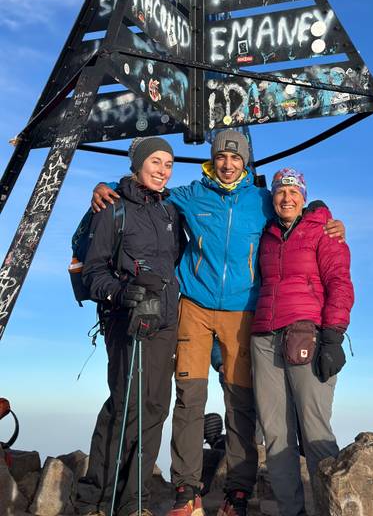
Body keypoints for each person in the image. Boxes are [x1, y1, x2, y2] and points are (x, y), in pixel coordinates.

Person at [91, 131, 345, 516]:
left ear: (246, 162)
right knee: (189, 397)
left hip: (244, 310)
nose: (228, 164)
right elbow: (147, 190)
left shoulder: (261, 200)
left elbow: (297, 210)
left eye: (236, 157)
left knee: (239, 402)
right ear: (213, 160)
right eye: (221, 157)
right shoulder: (193, 194)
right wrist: (105, 186)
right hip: (194, 304)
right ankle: (186, 489)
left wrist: (325, 215)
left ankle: (237, 491)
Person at [76, 137, 180, 516]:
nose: (162, 170)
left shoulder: (169, 211)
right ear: (137, 163)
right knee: (125, 405)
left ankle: (135, 502)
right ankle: (96, 499)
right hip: (126, 319)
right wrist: (123, 293)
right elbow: (93, 272)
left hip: (164, 321)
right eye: (155, 161)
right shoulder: (112, 209)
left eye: (168, 164)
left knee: (154, 408)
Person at [250, 168, 354, 516]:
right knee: (276, 431)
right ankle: (290, 511)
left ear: (304, 196)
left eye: (293, 192)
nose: (286, 198)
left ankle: (330, 508)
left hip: (306, 334)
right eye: (280, 191)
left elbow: (340, 282)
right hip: (264, 337)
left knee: (314, 429)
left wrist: (333, 337)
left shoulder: (324, 232)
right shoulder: (264, 234)